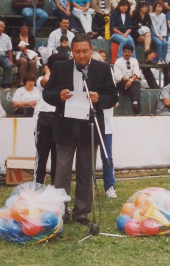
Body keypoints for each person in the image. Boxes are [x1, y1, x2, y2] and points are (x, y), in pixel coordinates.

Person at [43, 34, 118, 226]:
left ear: (91, 49)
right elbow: (47, 93)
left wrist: (98, 99)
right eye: (77, 52)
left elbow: (112, 96)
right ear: (71, 52)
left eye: (85, 51)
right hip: (65, 128)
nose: (81, 55)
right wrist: (59, 96)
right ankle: (61, 211)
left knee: (86, 170)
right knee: (62, 172)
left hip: (89, 128)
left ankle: (82, 212)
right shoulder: (60, 67)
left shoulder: (102, 69)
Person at [33, 54, 66, 185]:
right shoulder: (42, 78)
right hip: (44, 122)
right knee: (41, 157)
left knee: (56, 158)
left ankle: (54, 187)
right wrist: (47, 70)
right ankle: (37, 186)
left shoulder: (64, 80)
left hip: (59, 120)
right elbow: (46, 81)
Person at [91, 52, 117, 199]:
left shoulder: (107, 74)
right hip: (87, 122)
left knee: (107, 156)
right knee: (87, 157)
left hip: (105, 122)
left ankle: (109, 186)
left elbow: (113, 97)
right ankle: (89, 186)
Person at [113, 44, 141, 115]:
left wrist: (131, 81)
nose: (127, 54)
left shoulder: (134, 61)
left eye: (129, 52)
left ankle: (135, 104)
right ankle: (136, 106)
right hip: (120, 83)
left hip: (132, 83)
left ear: (131, 53)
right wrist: (130, 80)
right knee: (135, 86)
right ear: (122, 52)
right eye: (125, 52)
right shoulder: (118, 62)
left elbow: (137, 73)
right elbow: (118, 76)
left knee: (136, 84)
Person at [12, 21, 37, 87]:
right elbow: (14, 47)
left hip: (29, 55)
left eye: (26, 28)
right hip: (17, 55)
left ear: (28, 29)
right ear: (20, 29)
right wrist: (21, 49)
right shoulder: (16, 36)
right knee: (23, 61)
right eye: (22, 28)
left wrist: (25, 47)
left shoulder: (31, 37)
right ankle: (21, 82)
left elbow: (32, 46)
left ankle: (33, 82)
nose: (24, 30)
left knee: (33, 62)